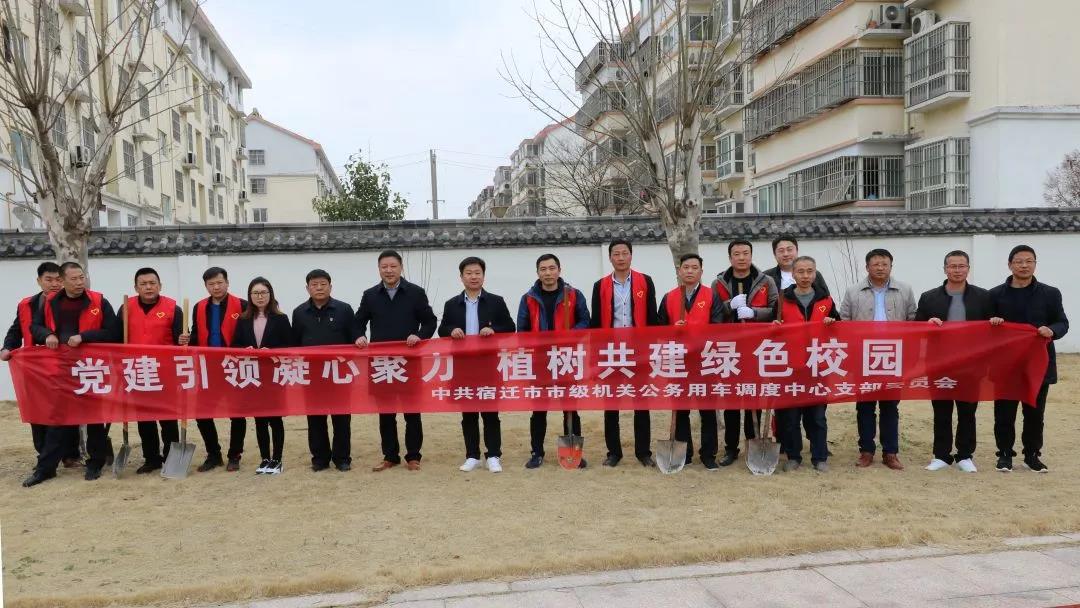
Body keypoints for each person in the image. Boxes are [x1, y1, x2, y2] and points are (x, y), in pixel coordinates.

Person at [23, 262, 119, 486]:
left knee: (94, 418)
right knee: (58, 419)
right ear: (63, 281)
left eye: (81, 277)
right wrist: (47, 334)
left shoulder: (98, 301)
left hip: (91, 368)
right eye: (73, 279)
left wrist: (84, 337)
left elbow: (113, 332)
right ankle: (46, 468)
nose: (79, 282)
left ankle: (95, 463)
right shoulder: (49, 302)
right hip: (61, 369)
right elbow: (34, 327)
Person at [355, 250, 438, 472]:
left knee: (412, 411)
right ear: (379, 269)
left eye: (393, 266)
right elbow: (358, 322)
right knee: (386, 413)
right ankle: (390, 456)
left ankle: (413, 456)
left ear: (401, 268)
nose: (389, 271)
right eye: (384, 267)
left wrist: (419, 335)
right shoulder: (370, 295)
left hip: (409, 361)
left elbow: (430, 322)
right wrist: (359, 335)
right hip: (381, 363)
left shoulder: (415, 293)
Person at [989, 245, 1069, 473]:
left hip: (1038, 363)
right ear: (1009, 265)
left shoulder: (1050, 293)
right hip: (1005, 364)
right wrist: (993, 322)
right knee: (1004, 413)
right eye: (1019, 261)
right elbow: (985, 325)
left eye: (1029, 261)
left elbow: (1062, 322)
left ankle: (1032, 455)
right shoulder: (995, 294)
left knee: (1034, 413)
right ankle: (1005, 454)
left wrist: (1051, 330)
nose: (1024, 265)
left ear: (1035, 264)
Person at [915, 250, 994, 473]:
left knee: (967, 411)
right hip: (939, 363)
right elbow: (916, 327)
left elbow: (993, 329)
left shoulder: (983, 297)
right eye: (952, 266)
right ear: (945, 269)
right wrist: (927, 323)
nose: (957, 270)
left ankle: (965, 455)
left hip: (971, 364)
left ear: (968, 269)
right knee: (941, 411)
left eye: (961, 266)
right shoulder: (929, 297)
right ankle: (941, 455)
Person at [839, 248, 916, 470]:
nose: (880, 268)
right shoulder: (853, 291)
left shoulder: (904, 290)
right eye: (876, 264)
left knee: (890, 406)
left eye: (884, 264)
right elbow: (844, 322)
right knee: (865, 406)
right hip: (863, 357)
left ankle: (890, 452)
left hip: (893, 356)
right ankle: (866, 451)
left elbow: (913, 321)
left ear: (891, 266)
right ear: (867, 267)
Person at [438, 256, 516, 473]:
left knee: (490, 412)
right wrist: (451, 330)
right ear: (461, 277)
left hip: (488, 364)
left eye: (477, 273)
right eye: (469, 273)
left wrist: (494, 330)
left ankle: (493, 455)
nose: (473, 277)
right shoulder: (451, 304)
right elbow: (442, 329)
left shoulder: (496, 301)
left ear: (483, 276)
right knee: (468, 413)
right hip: (463, 366)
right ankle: (472, 455)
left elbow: (511, 327)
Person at [2, 262, 80, 467]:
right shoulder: (26, 304)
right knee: (37, 412)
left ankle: (70, 455)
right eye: (49, 280)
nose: (54, 284)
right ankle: (43, 454)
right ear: (39, 281)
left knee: (65, 411)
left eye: (58, 280)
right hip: (34, 369)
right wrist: (7, 347)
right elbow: (16, 330)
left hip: (63, 366)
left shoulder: (71, 302)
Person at [590, 240, 659, 468]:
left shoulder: (645, 281)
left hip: (638, 351)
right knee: (611, 404)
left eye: (624, 253)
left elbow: (652, 317)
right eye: (616, 254)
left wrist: (652, 350)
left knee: (641, 402)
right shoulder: (600, 285)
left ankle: (643, 452)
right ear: (610, 257)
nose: (620, 258)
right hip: (611, 351)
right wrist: (595, 356)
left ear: (631, 255)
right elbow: (595, 323)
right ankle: (614, 452)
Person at [517, 253, 590, 469]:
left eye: (551, 268)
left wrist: (567, 336)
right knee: (539, 409)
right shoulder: (528, 298)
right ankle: (537, 453)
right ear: (537, 273)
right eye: (543, 269)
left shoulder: (574, 295)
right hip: (540, 361)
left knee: (570, 408)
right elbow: (522, 330)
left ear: (559, 270)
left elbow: (585, 321)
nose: (548, 273)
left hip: (567, 358)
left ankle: (573, 453)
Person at [712, 239, 778, 467]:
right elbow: (714, 314)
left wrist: (754, 313)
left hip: (756, 348)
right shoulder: (719, 283)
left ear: (751, 255)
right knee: (731, 400)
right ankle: (731, 448)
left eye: (745, 253)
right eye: (737, 254)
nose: (741, 257)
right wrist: (729, 305)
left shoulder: (766, 281)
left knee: (753, 398)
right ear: (730, 257)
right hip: (730, 349)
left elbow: (776, 310)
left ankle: (753, 442)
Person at [115, 267, 188, 474]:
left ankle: (171, 457)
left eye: (152, 283)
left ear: (160, 285)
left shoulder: (173, 308)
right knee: (144, 418)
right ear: (136, 287)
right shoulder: (126, 308)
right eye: (143, 284)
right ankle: (151, 458)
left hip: (165, 371)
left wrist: (184, 338)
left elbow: (181, 339)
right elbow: (116, 338)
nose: (148, 287)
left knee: (168, 417)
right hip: (137, 370)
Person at [658, 253, 725, 469]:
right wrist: (672, 331)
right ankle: (684, 453)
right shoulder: (669, 297)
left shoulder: (711, 296)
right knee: (681, 409)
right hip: (678, 361)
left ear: (701, 272)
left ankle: (708, 454)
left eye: (694, 267)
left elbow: (718, 327)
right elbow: (658, 331)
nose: (689, 271)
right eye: (685, 267)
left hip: (705, 360)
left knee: (707, 409)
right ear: (679, 271)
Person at [774, 256, 837, 473]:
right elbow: (772, 328)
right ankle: (794, 456)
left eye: (809, 271)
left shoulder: (826, 300)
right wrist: (775, 325)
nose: (805, 276)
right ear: (793, 274)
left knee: (817, 416)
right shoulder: (783, 299)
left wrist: (832, 322)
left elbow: (839, 328)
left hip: (817, 366)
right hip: (791, 367)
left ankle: (820, 457)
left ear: (815, 273)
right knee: (791, 417)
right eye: (800, 271)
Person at [292, 269, 356, 471]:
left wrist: (360, 339)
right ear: (307, 288)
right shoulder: (299, 313)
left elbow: (354, 336)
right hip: (312, 375)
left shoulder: (344, 310)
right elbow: (295, 343)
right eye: (314, 284)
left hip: (339, 374)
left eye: (323, 284)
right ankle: (320, 459)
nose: (319, 288)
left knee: (341, 418)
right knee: (315, 418)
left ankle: (342, 458)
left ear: (330, 286)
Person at [189, 267, 248, 472]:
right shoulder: (199, 307)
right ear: (206, 286)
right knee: (202, 412)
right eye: (211, 284)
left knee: (237, 413)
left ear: (227, 283)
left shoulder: (242, 305)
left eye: (219, 282)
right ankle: (213, 454)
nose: (216, 287)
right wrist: (186, 340)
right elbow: (196, 335)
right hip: (208, 367)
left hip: (234, 367)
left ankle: (235, 455)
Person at [235, 277, 293, 475]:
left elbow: (290, 345)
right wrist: (245, 350)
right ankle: (265, 459)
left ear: (270, 294)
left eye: (263, 293)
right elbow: (235, 345)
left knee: (275, 419)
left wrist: (273, 351)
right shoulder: (243, 319)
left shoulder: (281, 318)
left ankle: (277, 459)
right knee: (259, 419)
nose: (260, 297)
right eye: (255, 293)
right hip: (253, 375)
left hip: (274, 375)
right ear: (250, 296)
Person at [763, 235, 829, 295]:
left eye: (789, 250)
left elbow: (826, 298)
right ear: (774, 254)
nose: (786, 254)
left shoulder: (813, 274)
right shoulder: (766, 277)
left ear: (797, 251)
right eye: (781, 251)